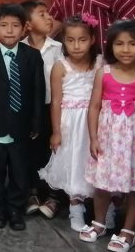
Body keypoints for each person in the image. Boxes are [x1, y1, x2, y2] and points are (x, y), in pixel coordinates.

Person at [80, 19, 135, 252]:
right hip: (108, 139)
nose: (126, 49)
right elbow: (94, 107)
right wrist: (93, 137)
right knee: (102, 184)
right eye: (119, 43)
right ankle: (99, 222)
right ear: (110, 46)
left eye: (132, 43)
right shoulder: (105, 73)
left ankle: (128, 230)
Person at [0, 3, 46, 231]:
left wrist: (36, 122)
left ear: (24, 28)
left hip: (22, 126)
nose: (9, 30)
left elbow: (38, 92)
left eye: (15, 25)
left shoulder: (33, 57)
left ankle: (16, 208)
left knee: (20, 170)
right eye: (3, 25)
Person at [38, 15, 102, 231]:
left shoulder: (100, 64)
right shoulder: (60, 66)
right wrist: (56, 131)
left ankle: (105, 210)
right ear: (63, 41)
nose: (76, 45)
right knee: (74, 164)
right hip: (70, 123)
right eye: (70, 40)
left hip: (95, 122)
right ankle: (76, 209)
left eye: (82, 40)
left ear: (92, 39)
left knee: (95, 163)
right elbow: (55, 101)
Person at [20, 0, 63, 219]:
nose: (49, 17)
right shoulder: (20, 48)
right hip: (29, 110)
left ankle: (54, 196)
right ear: (27, 24)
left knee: (53, 151)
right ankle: (33, 193)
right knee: (31, 152)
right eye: (42, 13)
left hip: (53, 108)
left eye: (49, 13)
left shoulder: (58, 48)